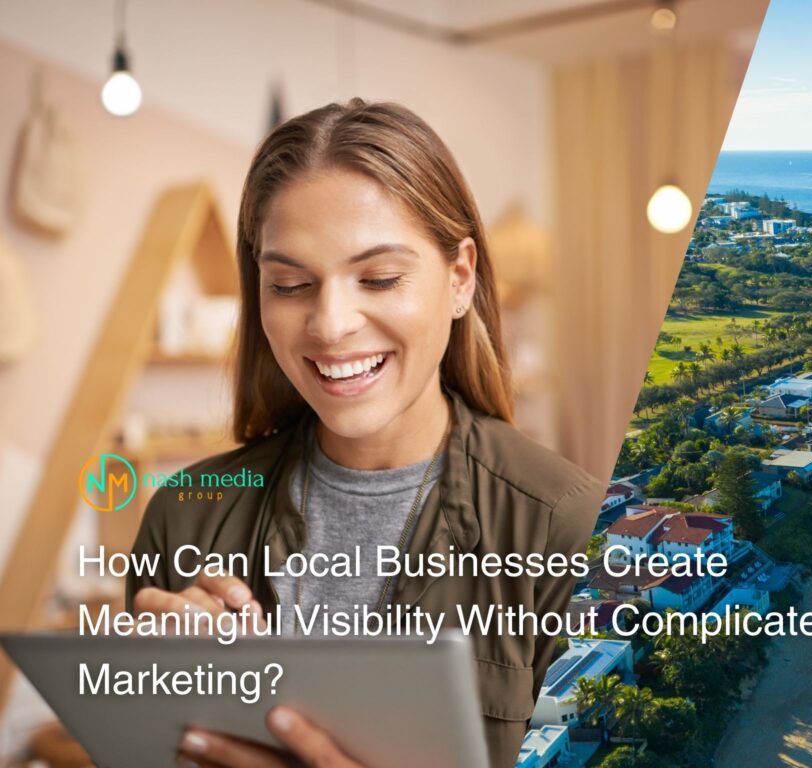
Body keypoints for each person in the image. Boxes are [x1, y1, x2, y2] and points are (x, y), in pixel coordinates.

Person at [125, 98, 602, 768]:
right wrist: (144, 712)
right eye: (290, 284)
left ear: (460, 278)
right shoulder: (184, 517)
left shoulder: (568, 527)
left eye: (378, 278)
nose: (329, 324)